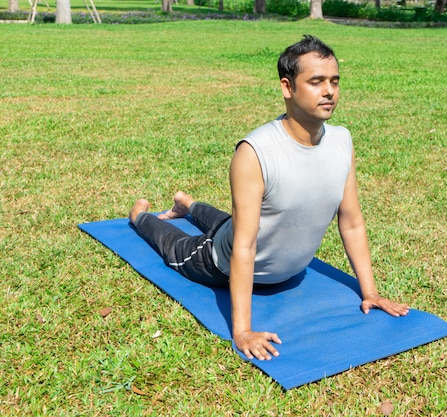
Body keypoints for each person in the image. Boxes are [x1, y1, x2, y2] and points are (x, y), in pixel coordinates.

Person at [129, 35, 409, 361]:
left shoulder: (342, 141)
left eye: (334, 81)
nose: (329, 91)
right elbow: (244, 247)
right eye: (316, 82)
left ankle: (188, 205)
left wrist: (370, 293)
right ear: (287, 88)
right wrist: (242, 330)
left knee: (235, 223)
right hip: (220, 263)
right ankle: (140, 216)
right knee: (177, 245)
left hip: (258, 246)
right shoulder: (255, 152)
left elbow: (351, 222)